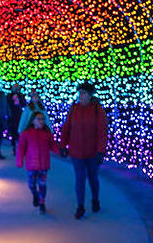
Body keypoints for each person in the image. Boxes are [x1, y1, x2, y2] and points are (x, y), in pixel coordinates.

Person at [59, 81, 109, 220]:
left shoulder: (97, 109)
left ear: (89, 95)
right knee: (80, 179)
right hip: (77, 152)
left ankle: (95, 199)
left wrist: (101, 151)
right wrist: (63, 145)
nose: (81, 95)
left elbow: (102, 132)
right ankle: (80, 206)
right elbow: (66, 128)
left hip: (92, 153)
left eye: (84, 93)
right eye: (80, 93)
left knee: (93, 178)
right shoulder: (74, 108)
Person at [16, 111, 59, 213]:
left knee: (42, 184)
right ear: (33, 121)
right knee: (31, 184)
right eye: (39, 119)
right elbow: (21, 148)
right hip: (32, 164)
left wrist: (60, 151)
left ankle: (42, 202)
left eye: (43, 119)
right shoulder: (26, 134)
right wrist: (19, 161)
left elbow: (53, 145)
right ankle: (35, 194)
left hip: (43, 164)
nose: (41, 121)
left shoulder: (47, 134)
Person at [6, 83, 27, 155]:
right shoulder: (9, 95)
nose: (16, 89)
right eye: (14, 87)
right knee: (13, 133)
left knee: (20, 133)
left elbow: (24, 104)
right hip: (12, 117)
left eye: (17, 87)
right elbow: (7, 104)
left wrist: (19, 100)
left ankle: (20, 148)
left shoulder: (21, 95)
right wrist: (12, 100)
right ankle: (14, 148)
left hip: (19, 117)